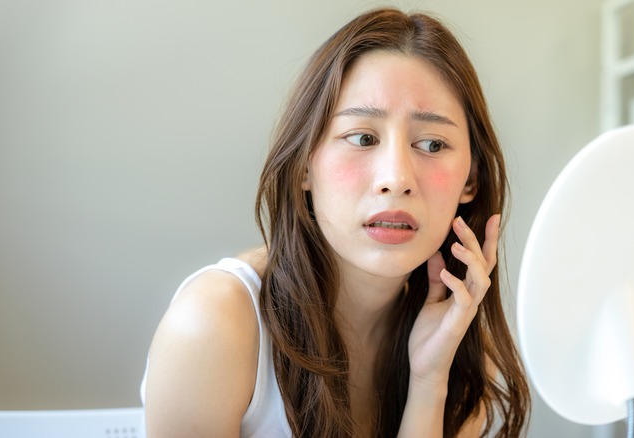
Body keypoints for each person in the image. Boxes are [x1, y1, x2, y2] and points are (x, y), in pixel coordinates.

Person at [141, 7, 530, 438]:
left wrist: (428, 380)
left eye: (433, 143)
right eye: (363, 138)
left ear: (470, 180)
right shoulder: (216, 323)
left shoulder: (456, 341)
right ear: (305, 166)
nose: (396, 179)